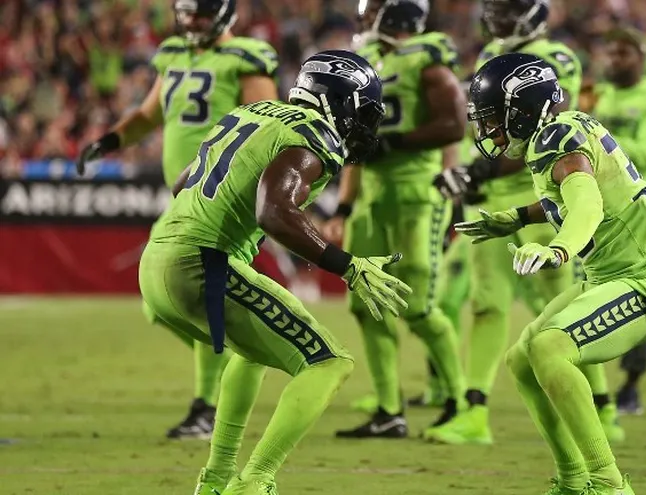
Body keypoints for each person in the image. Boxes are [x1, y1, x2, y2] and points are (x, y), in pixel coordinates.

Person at [140, 50, 410, 495]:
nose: (363, 123)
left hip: (156, 264)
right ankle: (256, 479)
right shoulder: (312, 136)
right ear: (339, 102)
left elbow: (181, 184)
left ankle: (217, 480)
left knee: (251, 354)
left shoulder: (250, 114)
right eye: (361, 110)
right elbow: (274, 211)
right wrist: (348, 266)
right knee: (329, 363)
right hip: (200, 264)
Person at [457, 52, 646, 495]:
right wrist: (516, 217)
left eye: (495, 118)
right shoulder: (561, 129)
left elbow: (586, 205)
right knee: (522, 359)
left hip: (643, 279)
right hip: (607, 277)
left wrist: (556, 249)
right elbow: (567, 197)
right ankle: (573, 479)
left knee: (552, 349)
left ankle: (609, 484)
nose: (488, 130)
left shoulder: (558, 140)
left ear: (523, 108)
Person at [76, 0, 280, 439]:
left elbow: (269, 128)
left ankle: (206, 406)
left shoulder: (246, 58)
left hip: (220, 198)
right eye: (186, 13)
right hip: (183, 200)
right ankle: (224, 359)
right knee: (159, 303)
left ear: (224, 15)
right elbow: (151, 114)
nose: (191, 22)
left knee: (197, 300)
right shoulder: (173, 56)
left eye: (201, 14)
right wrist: (110, 140)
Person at [428, 0, 624, 446]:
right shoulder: (489, 56)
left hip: (541, 192)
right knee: (487, 304)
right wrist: (470, 172)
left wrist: (477, 171)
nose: (496, 18)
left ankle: (603, 408)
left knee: (567, 313)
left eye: (507, 9)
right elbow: (485, 130)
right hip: (494, 199)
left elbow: (544, 133)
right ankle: (474, 411)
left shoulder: (556, 61)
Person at [323, 0, 469, 438]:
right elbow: (356, 148)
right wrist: (344, 207)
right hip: (371, 198)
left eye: (373, 13)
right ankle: (390, 410)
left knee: (420, 308)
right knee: (368, 302)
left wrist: (399, 143)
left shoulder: (427, 58)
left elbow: (455, 124)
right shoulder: (368, 63)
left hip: (416, 195)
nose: (364, 21)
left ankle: (462, 403)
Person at [590, 26, 646, 415]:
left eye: (623, 54)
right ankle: (595, 386)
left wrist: (601, 141)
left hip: (643, 212)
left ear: (640, 57)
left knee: (640, 294)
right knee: (595, 289)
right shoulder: (603, 96)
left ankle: (630, 386)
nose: (614, 60)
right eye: (610, 53)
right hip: (602, 212)